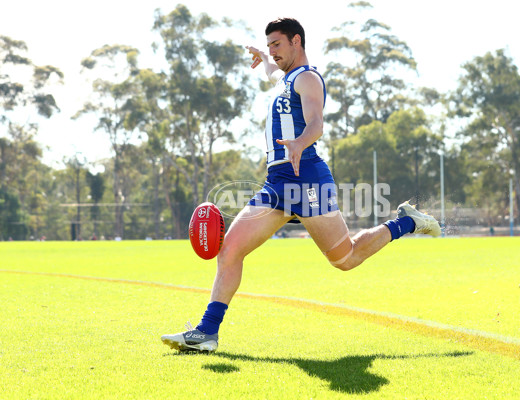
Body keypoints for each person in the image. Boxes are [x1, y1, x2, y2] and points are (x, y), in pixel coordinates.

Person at [161, 18, 441, 353]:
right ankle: (207, 332)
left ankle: (407, 221)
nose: (273, 52)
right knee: (230, 250)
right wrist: (264, 60)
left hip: (306, 177)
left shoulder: (307, 78)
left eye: (277, 45)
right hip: (277, 182)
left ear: (297, 41)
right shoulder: (285, 78)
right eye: (268, 47)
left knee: (345, 259)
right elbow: (274, 74)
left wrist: (299, 143)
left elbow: (316, 123)